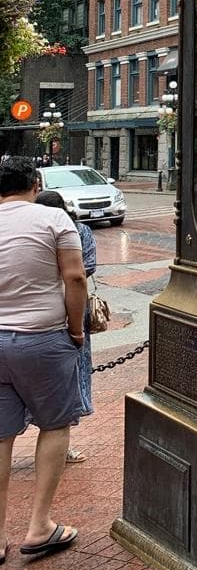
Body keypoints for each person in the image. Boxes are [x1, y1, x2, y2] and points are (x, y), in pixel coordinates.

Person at [0, 157, 86, 559]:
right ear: (36, 183)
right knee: (54, 425)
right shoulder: (54, 220)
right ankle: (39, 526)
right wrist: (76, 329)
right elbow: (75, 277)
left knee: (0, 436)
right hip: (42, 337)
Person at [33, 190, 96, 458]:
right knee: (65, 377)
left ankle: (61, 441)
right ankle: (61, 442)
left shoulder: (77, 230)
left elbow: (85, 269)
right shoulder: (75, 231)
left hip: (49, 308)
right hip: (66, 311)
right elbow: (84, 270)